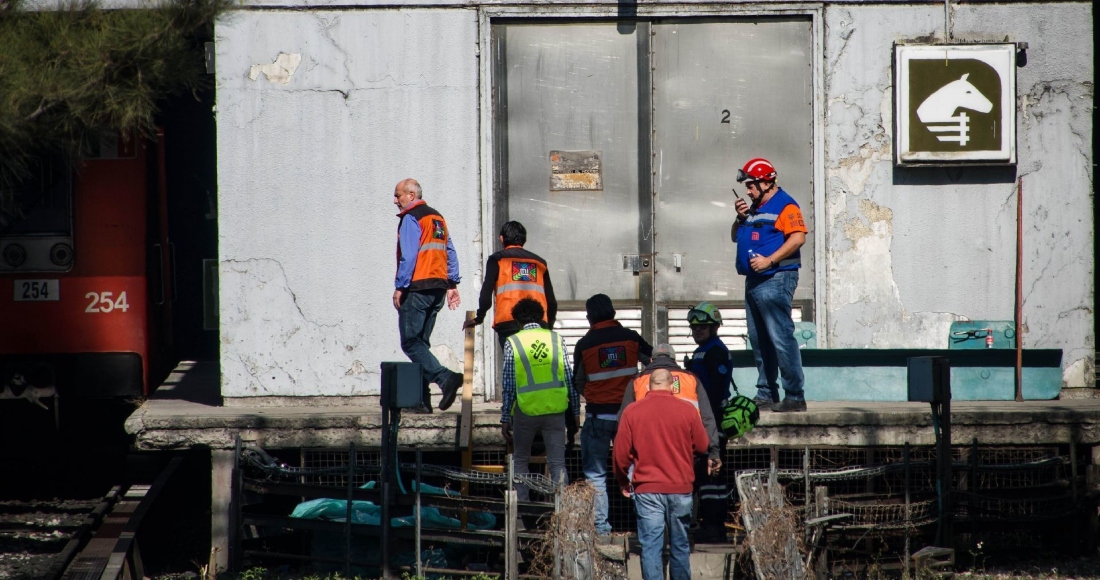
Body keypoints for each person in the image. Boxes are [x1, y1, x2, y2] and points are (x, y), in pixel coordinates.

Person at [622, 343, 726, 543]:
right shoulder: (691, 379)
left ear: (651, 360)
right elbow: (707, 418)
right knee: (687, 487)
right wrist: (713, 450)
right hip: (686, 451)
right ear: (674, 360)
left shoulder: (637, 381)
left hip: (647, 453)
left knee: (651, 505)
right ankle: (686, 534)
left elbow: (623, 420)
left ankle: (655, 538)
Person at [613, 368, 709, 580]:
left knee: (651, 547)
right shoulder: (687, 410)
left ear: (648, 385)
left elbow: (620, 455)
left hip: (647, 489)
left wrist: (623, 480)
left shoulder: (632, 411)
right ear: (671, 386)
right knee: (680, 545)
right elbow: (702, 446)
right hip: (681, 487)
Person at [573, 294, 653, 537]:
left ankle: (601, 531)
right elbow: (654, 362)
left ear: (589, 317)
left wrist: (594, 394)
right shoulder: (630, 337)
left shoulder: (584, 344)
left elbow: (577, 381)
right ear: (613, 313)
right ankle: (647, 528)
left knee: (596, 474)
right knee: (636, 471)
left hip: (598, 417)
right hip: (629, 418)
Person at [731, 157, 807, 413]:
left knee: (780, 337)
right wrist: (740, 218)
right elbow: (735, 236)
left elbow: (798, 238)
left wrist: (770, 260)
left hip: (776, 278)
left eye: (751, 185)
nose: (748, 190)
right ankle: (767, 392)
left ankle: (795, 396)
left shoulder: (786, 206)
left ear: (767, 182)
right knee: (760, 340)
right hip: (754, 281)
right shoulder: (753, 209)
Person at [392, 178, 464, 413]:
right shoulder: (437, 218)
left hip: (419, 287)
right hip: (438, 290)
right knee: (421, 344)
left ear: (411, 195)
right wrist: (452, 283)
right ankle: (422, 402)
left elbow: (409, 256)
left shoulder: (411, 218)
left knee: (411, 343)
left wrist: (401, 286)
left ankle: (446, 379)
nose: (395, 200)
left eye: (398, 195)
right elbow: (449, 250)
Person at [500, 298, 579, 501]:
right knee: (557, 463)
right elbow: (569, 378)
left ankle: (523, 510)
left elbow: (509, 385)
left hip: (526, 410)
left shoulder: (513, 341)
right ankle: (562, 514)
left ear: (518, 321)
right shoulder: (555, 339)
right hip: (555, 409)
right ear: (541, 317)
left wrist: (505, 417)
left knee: (520, 460)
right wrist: (576, 411)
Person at [684, 303, 737, 542]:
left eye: (702, 327)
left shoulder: (715, 351)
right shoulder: (704, 349)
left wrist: (708, 426)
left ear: (714, 327)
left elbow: (714, 391)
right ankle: (709, 525)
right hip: (706, 421)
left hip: (712, 422)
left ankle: (714, 528)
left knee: (712, 477)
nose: (697, 331)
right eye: (694, 327)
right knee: (706, 477)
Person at [463, 221, 558, 349]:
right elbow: (551, 301)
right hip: (538, 324)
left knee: (514, 365)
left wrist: (479, 318)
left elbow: (486, 293)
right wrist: (549, 324)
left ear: (502, 238)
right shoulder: (540, 263)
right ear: (524, 239)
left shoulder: (497, 259)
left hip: (509, 324)